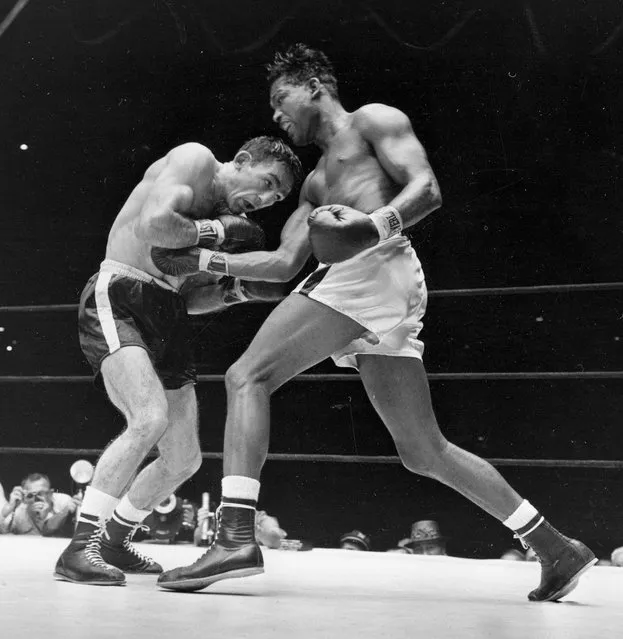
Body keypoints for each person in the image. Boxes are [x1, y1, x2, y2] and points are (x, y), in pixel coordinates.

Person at [155, 44, 596, 602]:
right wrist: (208, 265)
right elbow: (285, 266)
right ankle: (556, 547)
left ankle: (236, 536)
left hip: (376, 269)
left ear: (315, 84)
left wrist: (373, 225)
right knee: (423, 449)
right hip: (375, 288)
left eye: (280, 97)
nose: (275, 114)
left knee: (248, 376)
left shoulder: (373, 122)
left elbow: (427, 189)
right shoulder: (315, 184)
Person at [54, 136, 302, 586]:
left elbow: (189, 295)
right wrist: (219, 236)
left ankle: (113, 540)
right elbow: (154, 227)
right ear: (241, 161)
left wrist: (234, 289)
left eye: (278, 197)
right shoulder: (197, 161)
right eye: (266, 182)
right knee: (148, 419)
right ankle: (79, 548)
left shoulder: (229, 216)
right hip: (122, 292)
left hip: (167, 309)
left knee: (184, 457)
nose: (265, 200)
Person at [2, 474, 81, 536]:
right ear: (24, 497)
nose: (36, 499)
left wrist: (61, 513)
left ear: (50, 493)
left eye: (41, 493)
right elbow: (3, 532)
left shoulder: (63, 501)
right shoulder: (20, 510)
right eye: (31, 495)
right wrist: (9, 508)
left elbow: (47, 531)